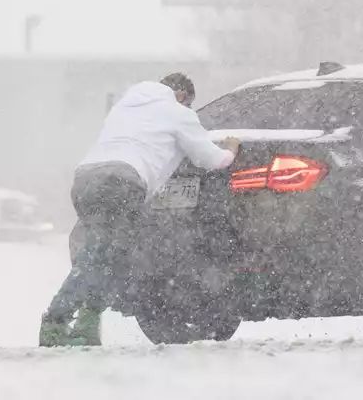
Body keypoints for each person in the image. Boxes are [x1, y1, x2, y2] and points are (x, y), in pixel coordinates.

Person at [39, 72, 239, 347]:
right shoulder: (176, 112)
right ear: (181, 96)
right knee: (102, 258)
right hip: (123, 182)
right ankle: (57, 321)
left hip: (86, 179)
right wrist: (230, 150)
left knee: (104, 255)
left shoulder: (124, 107)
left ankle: (85, 325)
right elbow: (209, 157)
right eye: (188, 104)